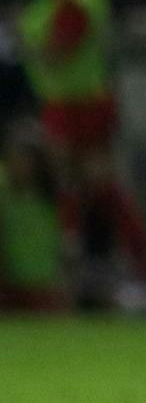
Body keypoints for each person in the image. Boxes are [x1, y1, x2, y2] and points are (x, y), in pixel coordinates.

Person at [10, 0, 146, 306]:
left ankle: (141, 268)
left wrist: (24, 41)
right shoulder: (44, 1)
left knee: (101, 185)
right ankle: (73, 263)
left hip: (86, 102)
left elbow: (59, 49)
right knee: (67, 186)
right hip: (57, 103)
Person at [0, 121, 68, 312]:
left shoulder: (49, 194)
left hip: (43, 282)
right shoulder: (4, 190)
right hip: (9, 282)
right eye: (18, 157)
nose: (23, 164)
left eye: (29, 158)